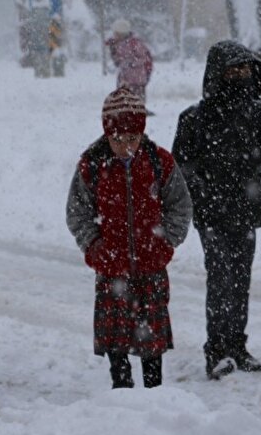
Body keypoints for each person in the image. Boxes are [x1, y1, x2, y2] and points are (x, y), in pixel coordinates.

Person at [66, 87, 192, 389]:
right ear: (106, 135)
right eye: (118, 140)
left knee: (152, 339)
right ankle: (120, 391)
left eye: (132, 139)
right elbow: (77, 213)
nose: (125, 147)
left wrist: (166, 241)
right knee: (116, 338)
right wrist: (95, 248)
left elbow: (180, 205)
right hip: (111, 269)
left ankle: (155, 391)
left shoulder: (159, 162)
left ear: (142, 133)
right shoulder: (92, 165)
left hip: (151, 265)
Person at [172, 40, 261, 380]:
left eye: (245, 69)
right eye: (233, 70)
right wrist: (205, 201)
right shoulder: (194, 119)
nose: (240, 76)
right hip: (212, 218)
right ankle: (217, 350)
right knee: (220, 280)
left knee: (240, 281)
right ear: (217, 73)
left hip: (245, 215)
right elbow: (182, 169)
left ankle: (236, 345)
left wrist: (256, 201)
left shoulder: (257, 116)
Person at [106, 18, 154, 98]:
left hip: (136, 80)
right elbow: (118, 62)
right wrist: (113, 50)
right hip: (124, 79)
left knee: (135, 103)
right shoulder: (118, 44)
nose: (114, 35)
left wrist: (131, 63)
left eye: (116, 33)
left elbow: (143, 58)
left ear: (122, 33)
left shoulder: (134, 43)